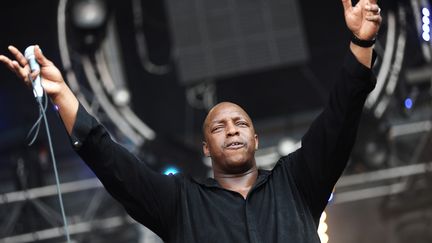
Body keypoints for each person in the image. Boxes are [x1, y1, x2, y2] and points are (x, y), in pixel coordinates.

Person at [0, 0, 382, 242]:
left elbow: (341, 116)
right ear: (206, 148)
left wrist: (361, 44)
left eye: (239, 124)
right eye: (219, 127)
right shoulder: (180, 203)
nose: (231, 129)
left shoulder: (297, 183)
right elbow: (111, 160)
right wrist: (63, 95)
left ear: (256, 139)